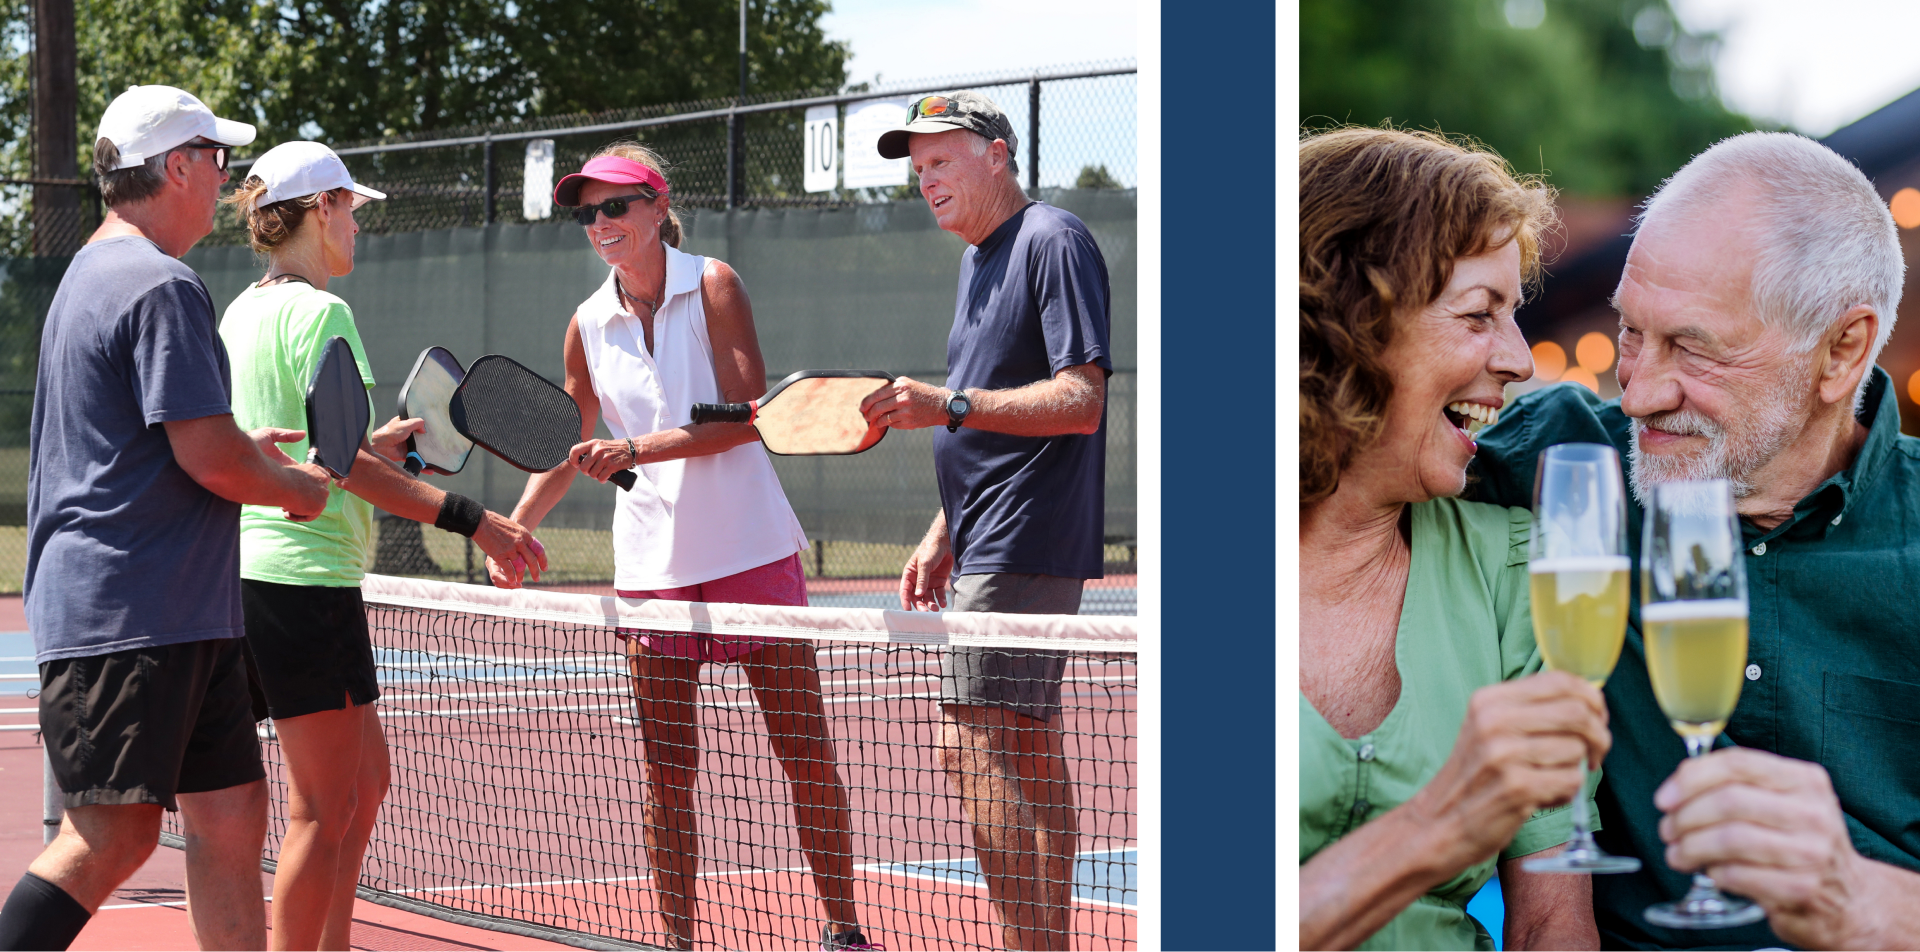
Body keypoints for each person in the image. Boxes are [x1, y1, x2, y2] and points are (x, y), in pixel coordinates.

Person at [1465, 131, 1920, 951]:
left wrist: (1868, 901)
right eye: (1633, 332)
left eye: (1693, 348)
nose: (1637, 391)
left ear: (1840, 350)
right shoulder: (1573, 463)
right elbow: (1347, 426)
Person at [490, 142, 879, 952]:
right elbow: (574, 440)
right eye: (587, 211)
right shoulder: (586, 323)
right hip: (652, 571)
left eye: (616, 206)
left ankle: (845, 932)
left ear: (658, 206)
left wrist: (637, 452)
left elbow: (746, 417)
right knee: (668, 777)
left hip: (748, 554)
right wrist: (516, 525)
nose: (601, 223)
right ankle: (676, 944)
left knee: (804, 753)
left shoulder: (713, 283)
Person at [0, 86, 333, 951]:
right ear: (177, 166)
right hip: (132, 615)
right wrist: (294, 486)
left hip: (178, 616)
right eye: (218, 161)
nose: (226, 181)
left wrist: (238, 449)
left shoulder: (93, 269)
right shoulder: (162, 282)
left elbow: (171, 441)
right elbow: (212, 460)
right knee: (111, 836)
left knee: (229, 816)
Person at [216, 140, 549, 952]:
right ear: (319, 210)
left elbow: (325, 445)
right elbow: (345, 464)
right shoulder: (324, 312)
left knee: (365, 786)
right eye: (351, 210)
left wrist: (370, 445)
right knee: (322, 809)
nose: (358, 227)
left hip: (263, 578)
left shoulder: (240, 311)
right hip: (299, 581)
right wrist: (480, 519)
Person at [1294, 126, 1612, 952]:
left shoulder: (1513, 566)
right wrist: (1433, 826)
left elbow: (1553, 921)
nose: (1517, 359)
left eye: (1517, 316)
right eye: (1480, 314)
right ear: (1347, 326)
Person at [856, 90, 1118, 952]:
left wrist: (950, 402)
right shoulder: (978, 261)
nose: (926, 180)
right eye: (917, 168)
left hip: (1028, 532)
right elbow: (980, 423)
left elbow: (1080, 399)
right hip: (990, 533)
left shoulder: (1052, 239)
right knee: (1028, 742)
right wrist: (945, 532)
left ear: (997, 153)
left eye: (942, 161)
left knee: (970, 742)